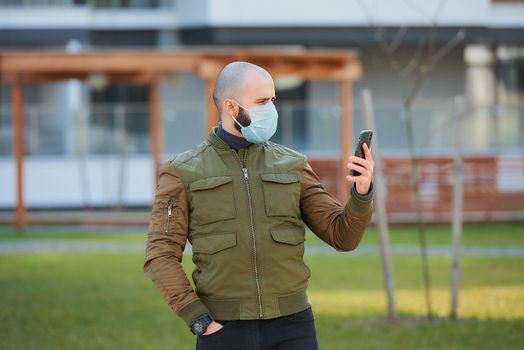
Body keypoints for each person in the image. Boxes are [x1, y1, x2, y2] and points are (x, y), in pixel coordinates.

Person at [143, 61, 374, 350]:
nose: (271, 110)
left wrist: (361, 194)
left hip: (294, 328)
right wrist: (199, 319)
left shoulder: (293, 165)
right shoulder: (182, 172)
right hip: (222, 330)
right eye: (262, 101)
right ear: (231, 107)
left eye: (272, 100)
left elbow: (343, 237)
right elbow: (159, 255)